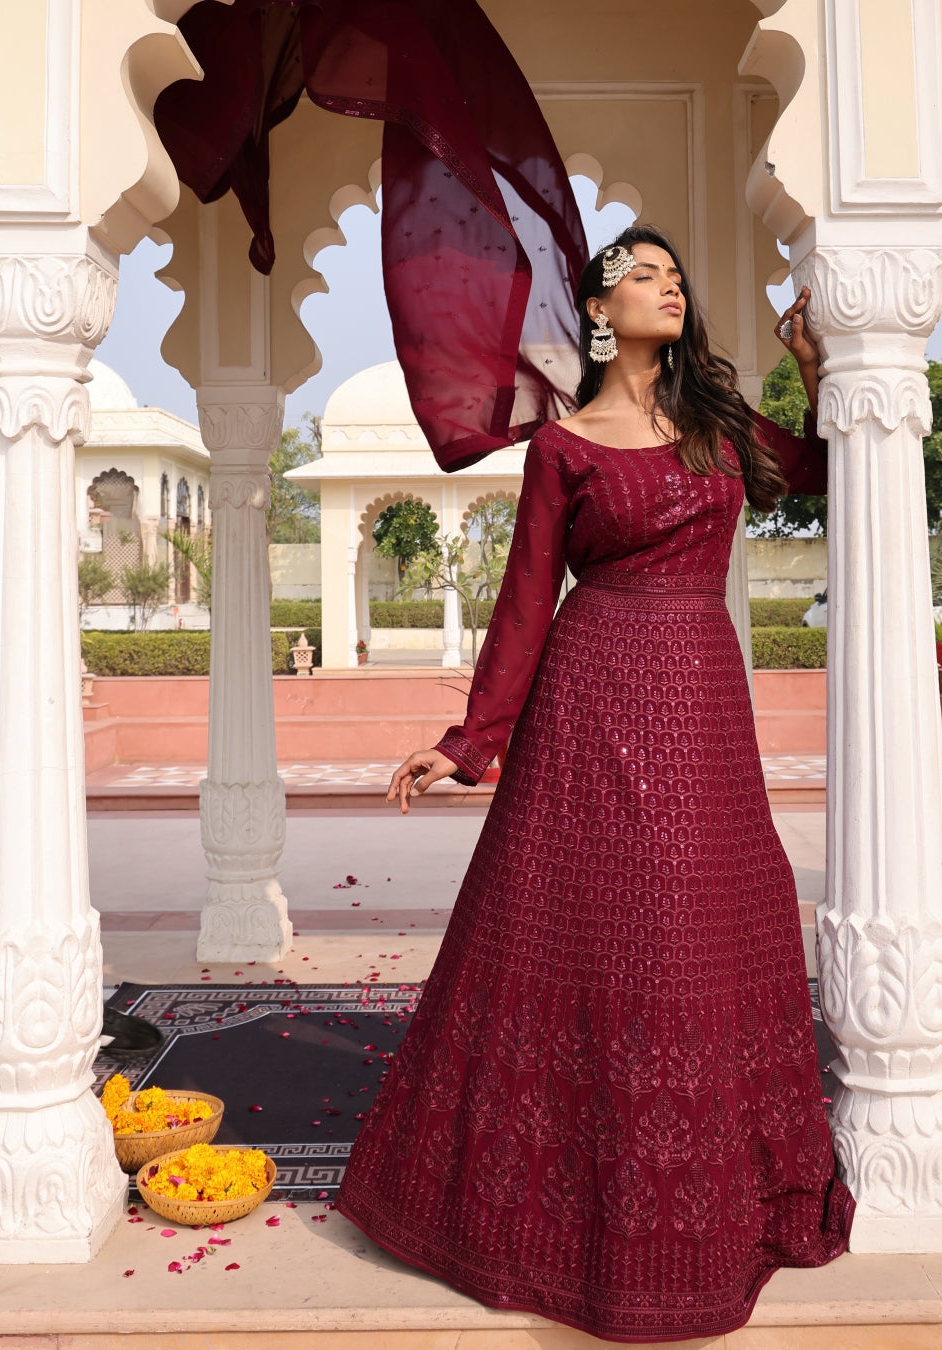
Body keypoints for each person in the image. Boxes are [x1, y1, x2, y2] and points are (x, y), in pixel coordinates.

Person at [335, 224, 854, 1343]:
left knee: (694, 927)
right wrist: (469, 740)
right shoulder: (562, 448)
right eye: (646, 274)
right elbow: (525, 602)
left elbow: (814, 473)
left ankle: (706, 1208)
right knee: (607, 930)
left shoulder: (716, 427)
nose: (671, 285)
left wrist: (819, 373)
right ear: (602, 311)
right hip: (593, 695)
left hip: (701, 701)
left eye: (677, 273)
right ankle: (572, 1209)